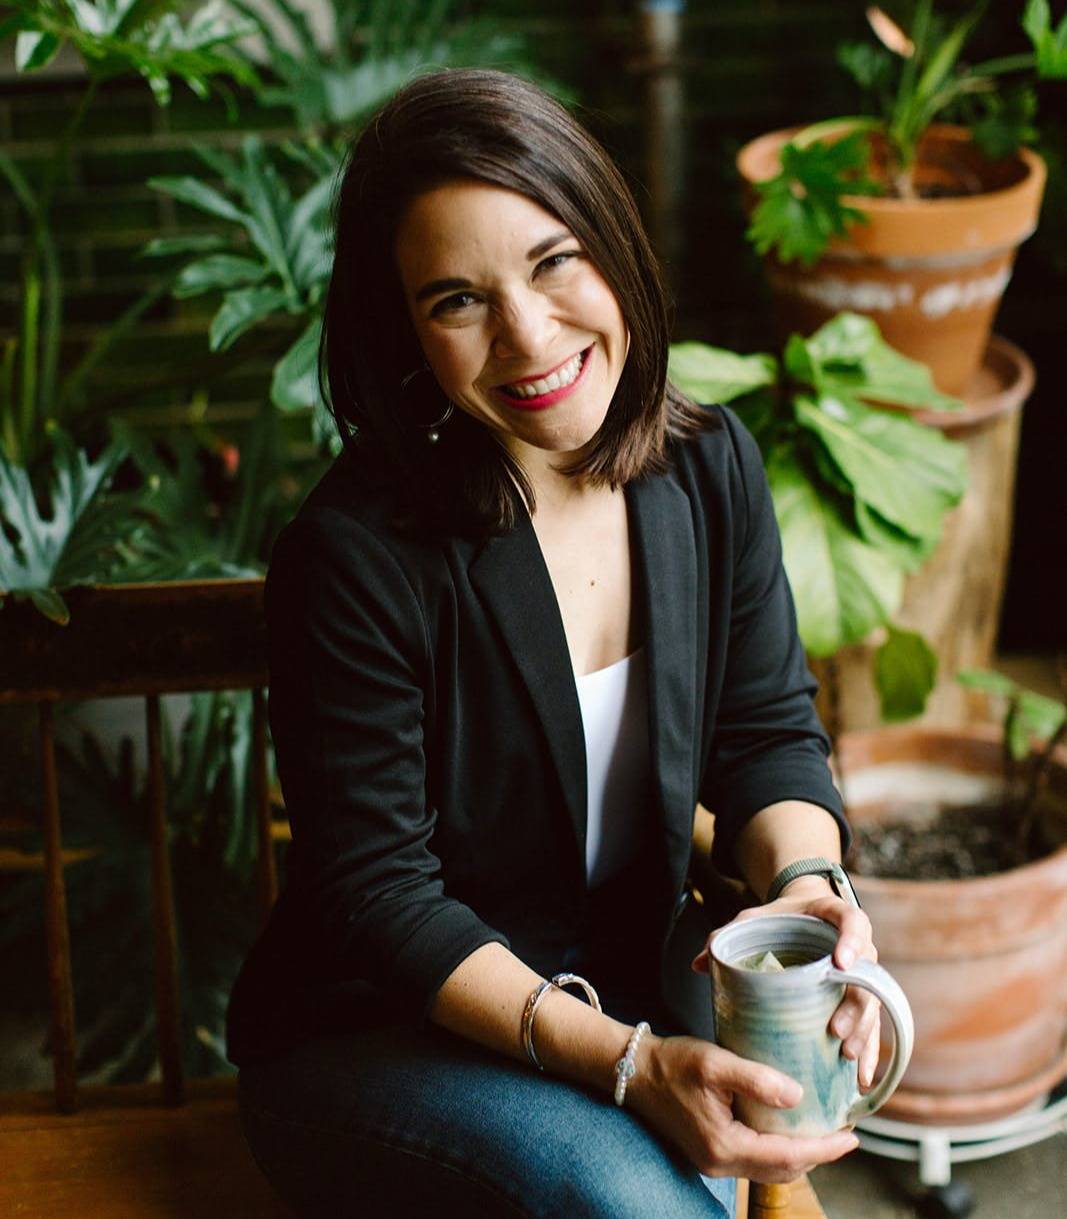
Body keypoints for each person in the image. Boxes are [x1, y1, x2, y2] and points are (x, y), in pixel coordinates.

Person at [227, 68, 881, 1219]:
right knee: (639, 1207)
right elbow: (383, 899)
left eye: (551, 260)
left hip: (628, 979)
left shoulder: (705, 467)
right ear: (405, 334)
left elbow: (765, 731)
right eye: (454, 300)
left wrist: (808, 887)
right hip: (390, 1031)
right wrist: (626, 1065)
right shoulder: (353, 556)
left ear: (614, 245)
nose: (527, 337)